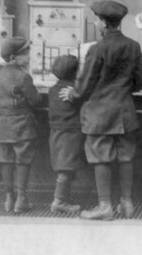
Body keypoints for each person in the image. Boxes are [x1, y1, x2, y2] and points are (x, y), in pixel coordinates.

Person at [59, 0, 142, 220]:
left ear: (104, 23)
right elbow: (137, 83)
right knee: (126, 156)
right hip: (124, 112)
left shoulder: (97, 49)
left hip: (99, 114)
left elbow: (84, 85)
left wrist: (72, 94)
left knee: (100, 157)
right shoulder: (133, 46)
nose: (95, 22)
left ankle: (105, 206)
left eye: (97, 19)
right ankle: (127, 204)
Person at [0, 37, 41, 213]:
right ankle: (22, 199)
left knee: (5, 161)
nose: (28, 57)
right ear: (13, 58)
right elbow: (35, 101)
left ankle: (8, 199)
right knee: (23, 162)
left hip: (2, 126)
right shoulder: (24, 77)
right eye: (25, 54)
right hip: (22, 127)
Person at [48, 55, 85, 214]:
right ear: (75, 72)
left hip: (56, 133)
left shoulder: (53, 89)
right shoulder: (72, 91)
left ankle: (63, 199)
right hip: (69, 134)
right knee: (66, 168)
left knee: (64, 167)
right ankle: (59, 202)